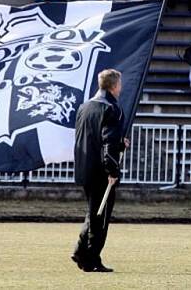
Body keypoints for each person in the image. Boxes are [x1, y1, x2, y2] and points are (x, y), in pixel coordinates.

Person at [72, 69, 129, 273]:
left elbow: (90, 137)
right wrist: (112, 170)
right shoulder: (112, 109)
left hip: (84, 166)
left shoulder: (84, 106)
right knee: (101, 217)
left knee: (94, 213)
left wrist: (119, 144)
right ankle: (91, 259)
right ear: (115, 86)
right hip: (101, 170)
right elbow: (107, 142)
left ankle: (81, 252)